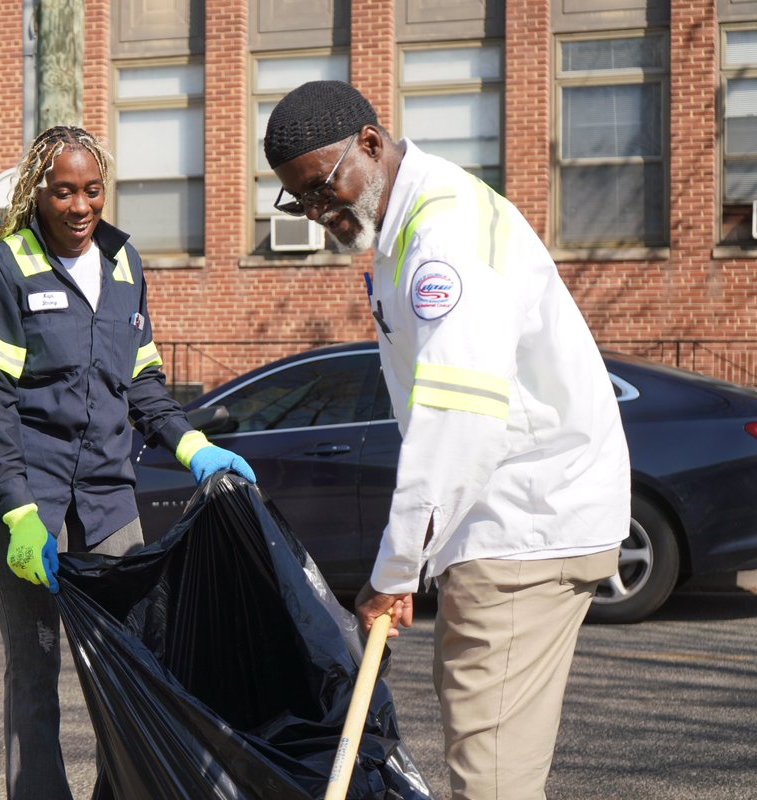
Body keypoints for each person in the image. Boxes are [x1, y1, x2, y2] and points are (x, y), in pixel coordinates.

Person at [264, 81, 630, 799]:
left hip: (522, 525)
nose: (315, 213)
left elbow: (456, 418)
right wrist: (418, 557)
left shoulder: (444, 239)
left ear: (370, 143)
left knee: (489, 776)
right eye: (298, 202)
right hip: (505, 520)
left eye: (321, 188)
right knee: (482, 739)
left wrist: (395, 570)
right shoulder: (409, 226)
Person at [0, 124, 255, 800]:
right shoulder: (1, 269)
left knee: (130, 661)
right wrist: (22, 514)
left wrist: (193, 447)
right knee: (34, 667)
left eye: (92, 190)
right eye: (63, 191)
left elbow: (142, 381)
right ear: (39, 191)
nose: (81, 206)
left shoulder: (124, 263)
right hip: (20, 507)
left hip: (108, 502)